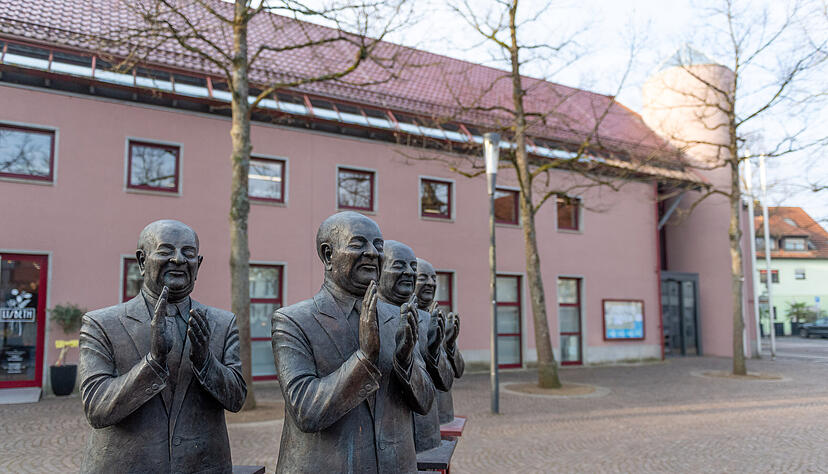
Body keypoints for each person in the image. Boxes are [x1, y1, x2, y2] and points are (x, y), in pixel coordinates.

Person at [78, 220, 246, 473]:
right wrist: (153, 362)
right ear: (142, 261)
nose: (178, 259)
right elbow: (97, 409)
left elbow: (236, 400)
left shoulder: (222, 323)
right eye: (165, 251)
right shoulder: (101, 324)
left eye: (188, 253)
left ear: (198, 265)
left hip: (204, 466)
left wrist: (205, 362)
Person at [272, 212, 434, 473]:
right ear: (328, 255)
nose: (372, 253)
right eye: (358, 244)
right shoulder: (293, 321)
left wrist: (405, 362)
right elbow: (306, 411)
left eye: (378, 246)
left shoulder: (398, 318)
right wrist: (365, 357)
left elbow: (425, 402)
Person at [376, 241, 454, 452]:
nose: (409, 273)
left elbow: (446, 382)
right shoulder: (367, 319)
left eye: (412, 267)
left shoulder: (427, 319)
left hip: (424, 431)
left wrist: (436, 351)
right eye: (399, 266)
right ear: (378, 270)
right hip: (385, 442)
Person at [415, 258, 464, 424]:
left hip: (443, 412)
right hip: (422, 417)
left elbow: (458, 371)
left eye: (434, 279)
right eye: (422, 278)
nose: (430, 283)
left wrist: (450, 344)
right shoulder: (403, 320)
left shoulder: (437, 318)